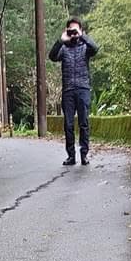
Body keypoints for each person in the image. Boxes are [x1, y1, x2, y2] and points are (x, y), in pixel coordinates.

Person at [49, 18, 99, 166]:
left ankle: (84, 155)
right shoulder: (63, 48)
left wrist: (82, 35)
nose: (73, 33)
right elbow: (52, 56)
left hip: (83, 89)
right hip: (68, 91)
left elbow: (95, 49)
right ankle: (71, 156)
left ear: (81, 30)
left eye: (75, 30)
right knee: (68, 125)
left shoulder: (85, 46)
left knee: (84, 123)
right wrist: (61, 40)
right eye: (70, 30)